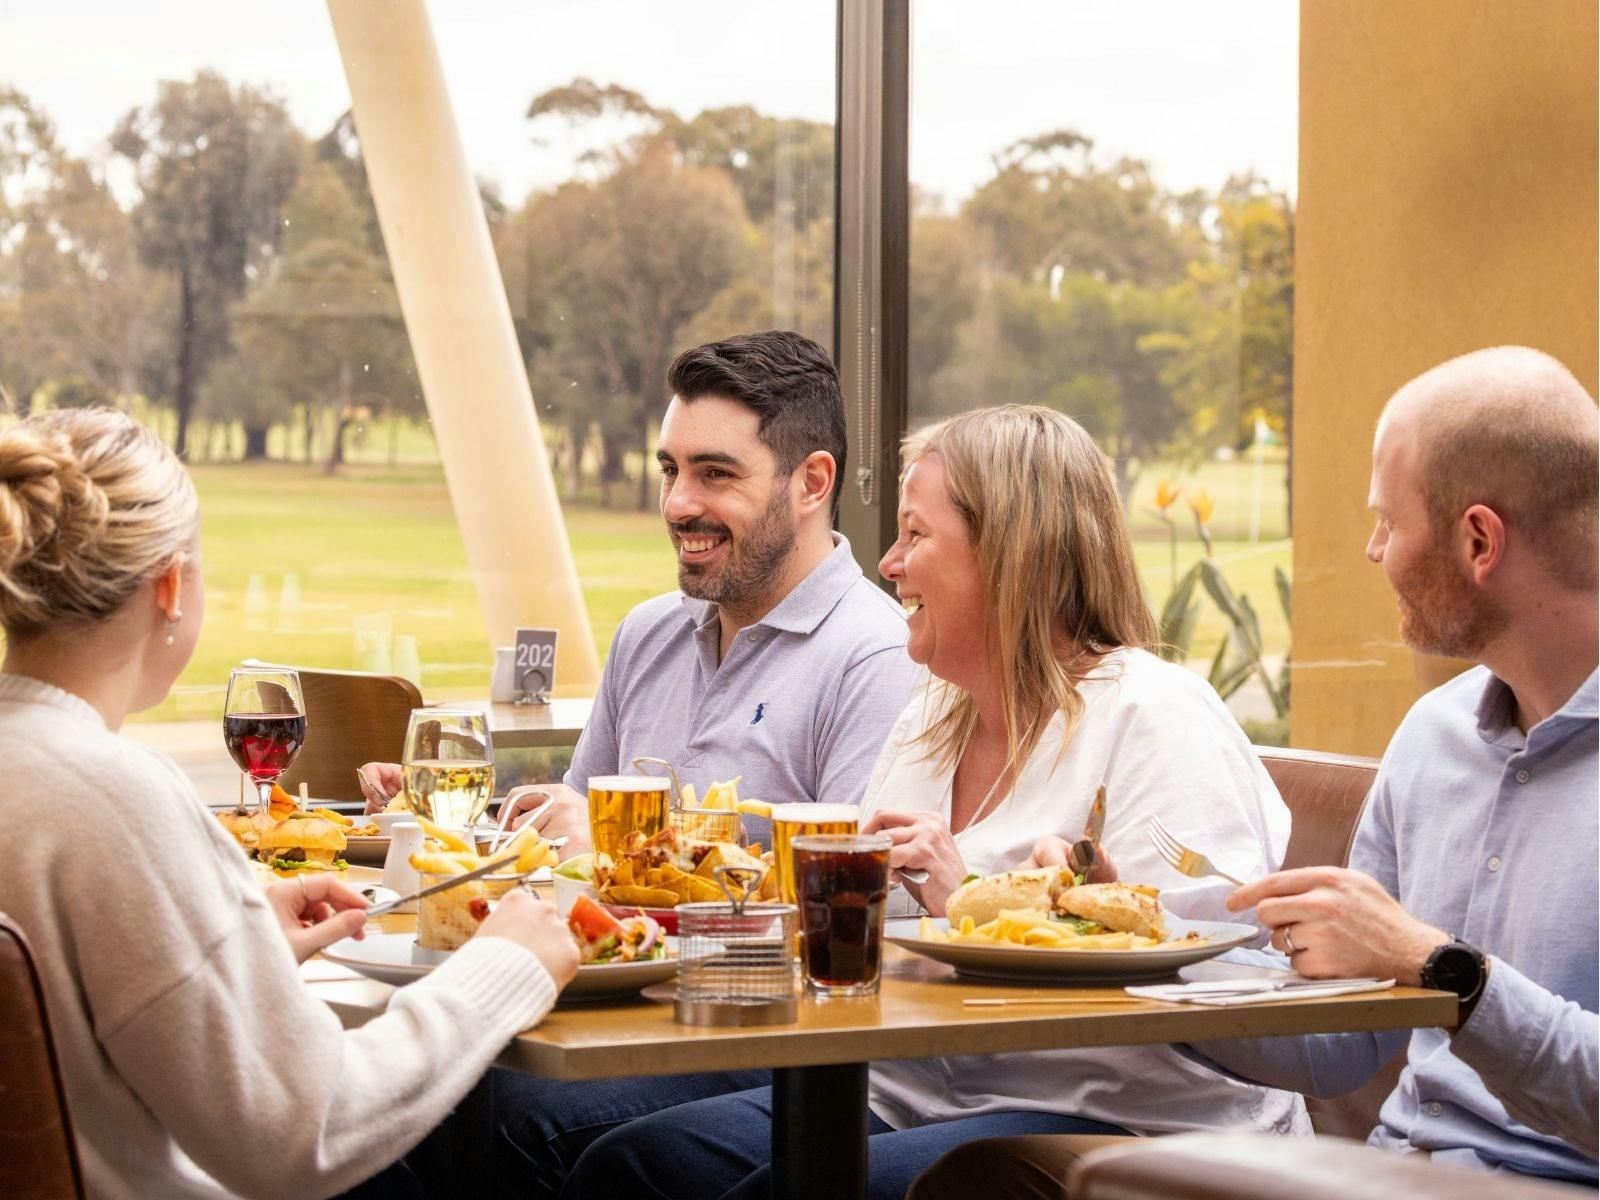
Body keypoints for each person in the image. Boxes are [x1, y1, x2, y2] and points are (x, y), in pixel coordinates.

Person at [558, 405, 1304, 1200]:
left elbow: (1218, 982)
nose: (888, 562)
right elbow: (857, 949)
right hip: (911, 1092)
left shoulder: (1155, 717)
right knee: (632, 1169)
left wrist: (981, 914)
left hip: (1111, 1120)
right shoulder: (932, 717)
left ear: (1013, 554)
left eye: (916, 535)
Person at [909, 346, 1599, 1196]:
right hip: (1387, 1174)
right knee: (980, 1178)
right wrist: (1136, 943)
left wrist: (1448, 971)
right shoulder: (1436, 737)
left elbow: (1437, 976)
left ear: (1478, 540)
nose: (1374, 549)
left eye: (1389, 519)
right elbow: (1336, 1049)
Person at [0, 408, 580, 1199]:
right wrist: (504, 966)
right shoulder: (116, 798)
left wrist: (236, 948)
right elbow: (309, 1132)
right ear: (171, 586)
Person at [361, 330, 915, 856]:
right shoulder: (647, 633)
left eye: (716, 473)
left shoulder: (878, 658)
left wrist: (608, 841)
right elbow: (574, 835)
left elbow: (845, 905)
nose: (677, 505)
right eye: (671, 470)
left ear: (812, 483)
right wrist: (436, 823)